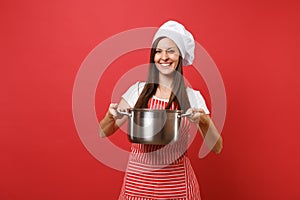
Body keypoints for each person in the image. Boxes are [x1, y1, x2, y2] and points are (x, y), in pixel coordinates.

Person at [99, 20, 223, 200]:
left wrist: (204, 121)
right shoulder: (138, 91)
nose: (163, 57)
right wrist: (110, 117)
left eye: (171, 51)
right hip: (137, 188)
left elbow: (217, 147)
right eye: (158, 51)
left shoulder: (192, 97)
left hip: (177, 189)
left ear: (180, 56)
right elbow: (103, 132)